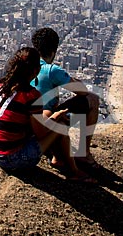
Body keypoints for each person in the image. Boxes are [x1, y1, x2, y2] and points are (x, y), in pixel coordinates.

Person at [0, 47, 96, 182]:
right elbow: (41, 134)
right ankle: (74, 172)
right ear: (36, 70)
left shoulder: (3, 85)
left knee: (50, 119)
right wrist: (57, 116)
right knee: (60, 127)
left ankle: (59, 159)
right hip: (11, 159)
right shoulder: (31, 96)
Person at [31, 27, 100, 169]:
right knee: (92, 100)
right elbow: (82, 92)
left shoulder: (25, 65)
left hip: (28, 125)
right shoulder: (51, 70)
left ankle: (55, 150)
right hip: (45, 123)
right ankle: (83, 153)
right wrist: (70, 79)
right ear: (54, 50)